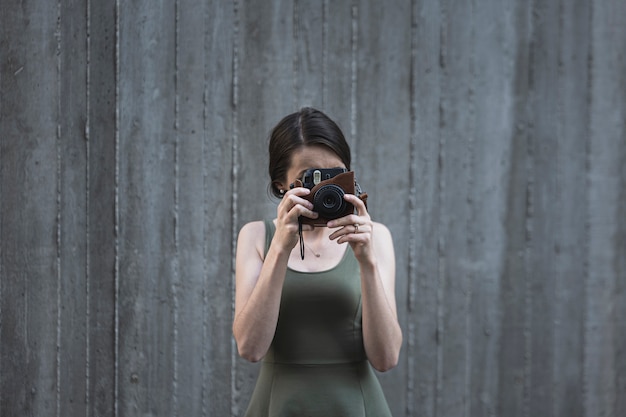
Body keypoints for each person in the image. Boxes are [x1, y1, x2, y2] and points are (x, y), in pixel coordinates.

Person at [233, 107, 402, 417]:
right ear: (281, 184)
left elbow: (387, 358)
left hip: (356, 406)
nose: (323, 189)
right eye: (309, 179)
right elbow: (249, 348)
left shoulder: (375, 237)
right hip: (280, 405)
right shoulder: (257, 236)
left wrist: (367, 261)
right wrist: (280, 247)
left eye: (334, 175)